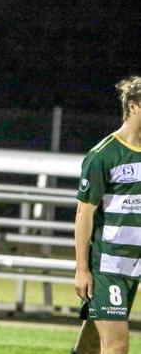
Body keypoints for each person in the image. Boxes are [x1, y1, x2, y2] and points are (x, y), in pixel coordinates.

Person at [74, 75, 141, 354]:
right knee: (117, 347)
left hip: (133, 265)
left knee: (93, 339)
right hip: (108, 266)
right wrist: (81, 269)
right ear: (134, 105)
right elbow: (84, 213)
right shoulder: (103, 154)